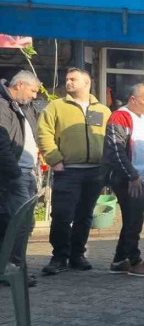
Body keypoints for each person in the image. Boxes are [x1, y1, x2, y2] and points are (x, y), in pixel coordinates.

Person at [37, 68, 111, 275]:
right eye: (67, 79)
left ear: (87, 83)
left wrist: (107, 164)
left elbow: (110, 138)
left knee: (85, 215)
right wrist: (55, 160)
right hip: (68, 170)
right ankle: (59, 256)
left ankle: (77, 254)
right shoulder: (56, 106)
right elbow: (44, 133)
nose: (68, 82)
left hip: (95, 172)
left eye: (73, 79)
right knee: (61, 214)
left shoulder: (103, 110)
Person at [103, 83, 144, 277]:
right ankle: (134, 260)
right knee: (134, 221)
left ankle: (120, 260)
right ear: (133, 99)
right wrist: (132, 175)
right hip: (131, 179)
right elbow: (115, 150)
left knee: (133, 220)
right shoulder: (120, 116)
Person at [0, 70, 42, 287]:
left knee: (16, 223)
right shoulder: (3, 106)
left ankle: (9, 267)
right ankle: (14, 270)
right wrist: (15, 173)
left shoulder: (22, 106)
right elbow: (2, 145)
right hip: (15, 174)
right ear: (20, 85)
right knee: (21, 223)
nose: (35, 96)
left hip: (26, 173)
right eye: (33, 91)